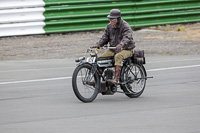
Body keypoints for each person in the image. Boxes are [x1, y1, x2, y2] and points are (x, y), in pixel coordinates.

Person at [93, 9, 136, 85]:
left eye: (113, 19)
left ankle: (116, 79)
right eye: (110, 19)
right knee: (101, 59)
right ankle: (97, 80)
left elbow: (127, 37)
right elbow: (105, 37)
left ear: (118, 19)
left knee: (118, 56)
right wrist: (98, 45)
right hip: (113, 49)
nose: (111, 21)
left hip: (126, 49)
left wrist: (121, 44)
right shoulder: (109, 26)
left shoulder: (125, 26)